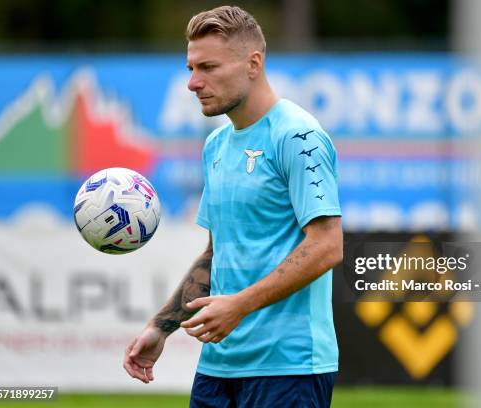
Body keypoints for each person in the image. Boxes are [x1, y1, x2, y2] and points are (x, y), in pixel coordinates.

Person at [123, 5, 343, 407]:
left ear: (253, 63)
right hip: (218, 368)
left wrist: (239, 305)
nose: (193, 82)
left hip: (289, 369)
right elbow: (216, 254)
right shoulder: (216, 146)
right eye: (191, 68)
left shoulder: (299, 136)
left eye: (208, 67)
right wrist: (161, 327)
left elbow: (327, 246)